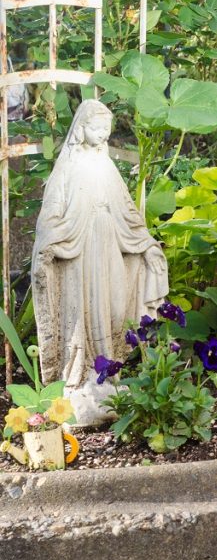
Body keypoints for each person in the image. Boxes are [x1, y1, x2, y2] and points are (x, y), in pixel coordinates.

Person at [32, 99, 168, 425]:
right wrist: (49, 243)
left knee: (114, 307)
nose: (102, 134)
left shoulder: (107, 167)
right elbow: (51, 213)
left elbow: (126, 210)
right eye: (96, 128)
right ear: (81, 128)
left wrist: (146, 244)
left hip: (109, 244)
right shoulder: (68, 167)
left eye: (106, 129)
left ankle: (109, 375)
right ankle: (78, 380)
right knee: (82, 310)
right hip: (80, 252)